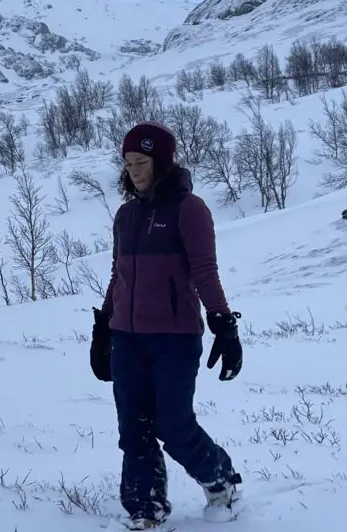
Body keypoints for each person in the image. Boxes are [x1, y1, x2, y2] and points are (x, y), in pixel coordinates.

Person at [91, 121, 244, 530]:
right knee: (134, 430)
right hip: (127, 337)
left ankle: (221, 480)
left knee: (173, 425)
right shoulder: (125, 215)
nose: (134, 170)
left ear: (161, 162)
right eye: (127, 163)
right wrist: (103, 326)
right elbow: (116, 274)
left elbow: (205, 270)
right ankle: (145, 510)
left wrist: (222, 322)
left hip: (174, 337)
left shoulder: (188, 209)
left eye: (141, 162)